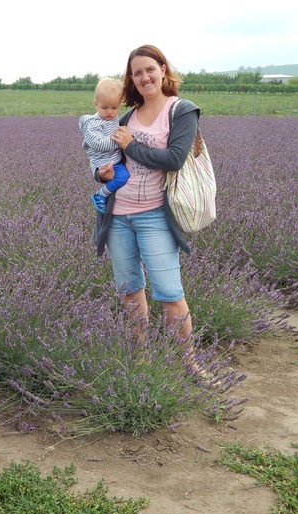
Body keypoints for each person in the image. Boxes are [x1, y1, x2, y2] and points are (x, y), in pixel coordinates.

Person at [92, 44, 212, 379]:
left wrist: (131, 145)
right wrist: (101, 173)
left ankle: (188, 364)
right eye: (137, 73)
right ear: (131, 79)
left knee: (170, 293)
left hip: (156, 215)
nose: (144, 77)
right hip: (118, 216)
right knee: (130, 291)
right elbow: (112, 160)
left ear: (163, 70)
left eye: (150, 69)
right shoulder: (126, 117)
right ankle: (141, 360)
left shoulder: (181, 110)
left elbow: (174, 159)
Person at [79, 77, 130, 214]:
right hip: (103, 162)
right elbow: (98, 144)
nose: (110, 112)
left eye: (114, 107)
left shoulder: (114, 119)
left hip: (113, 159)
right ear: (96, 104)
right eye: (105, 107)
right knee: (122, 177)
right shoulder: (93, 124)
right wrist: (120, 140)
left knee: (123, 177)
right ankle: (100, 195)